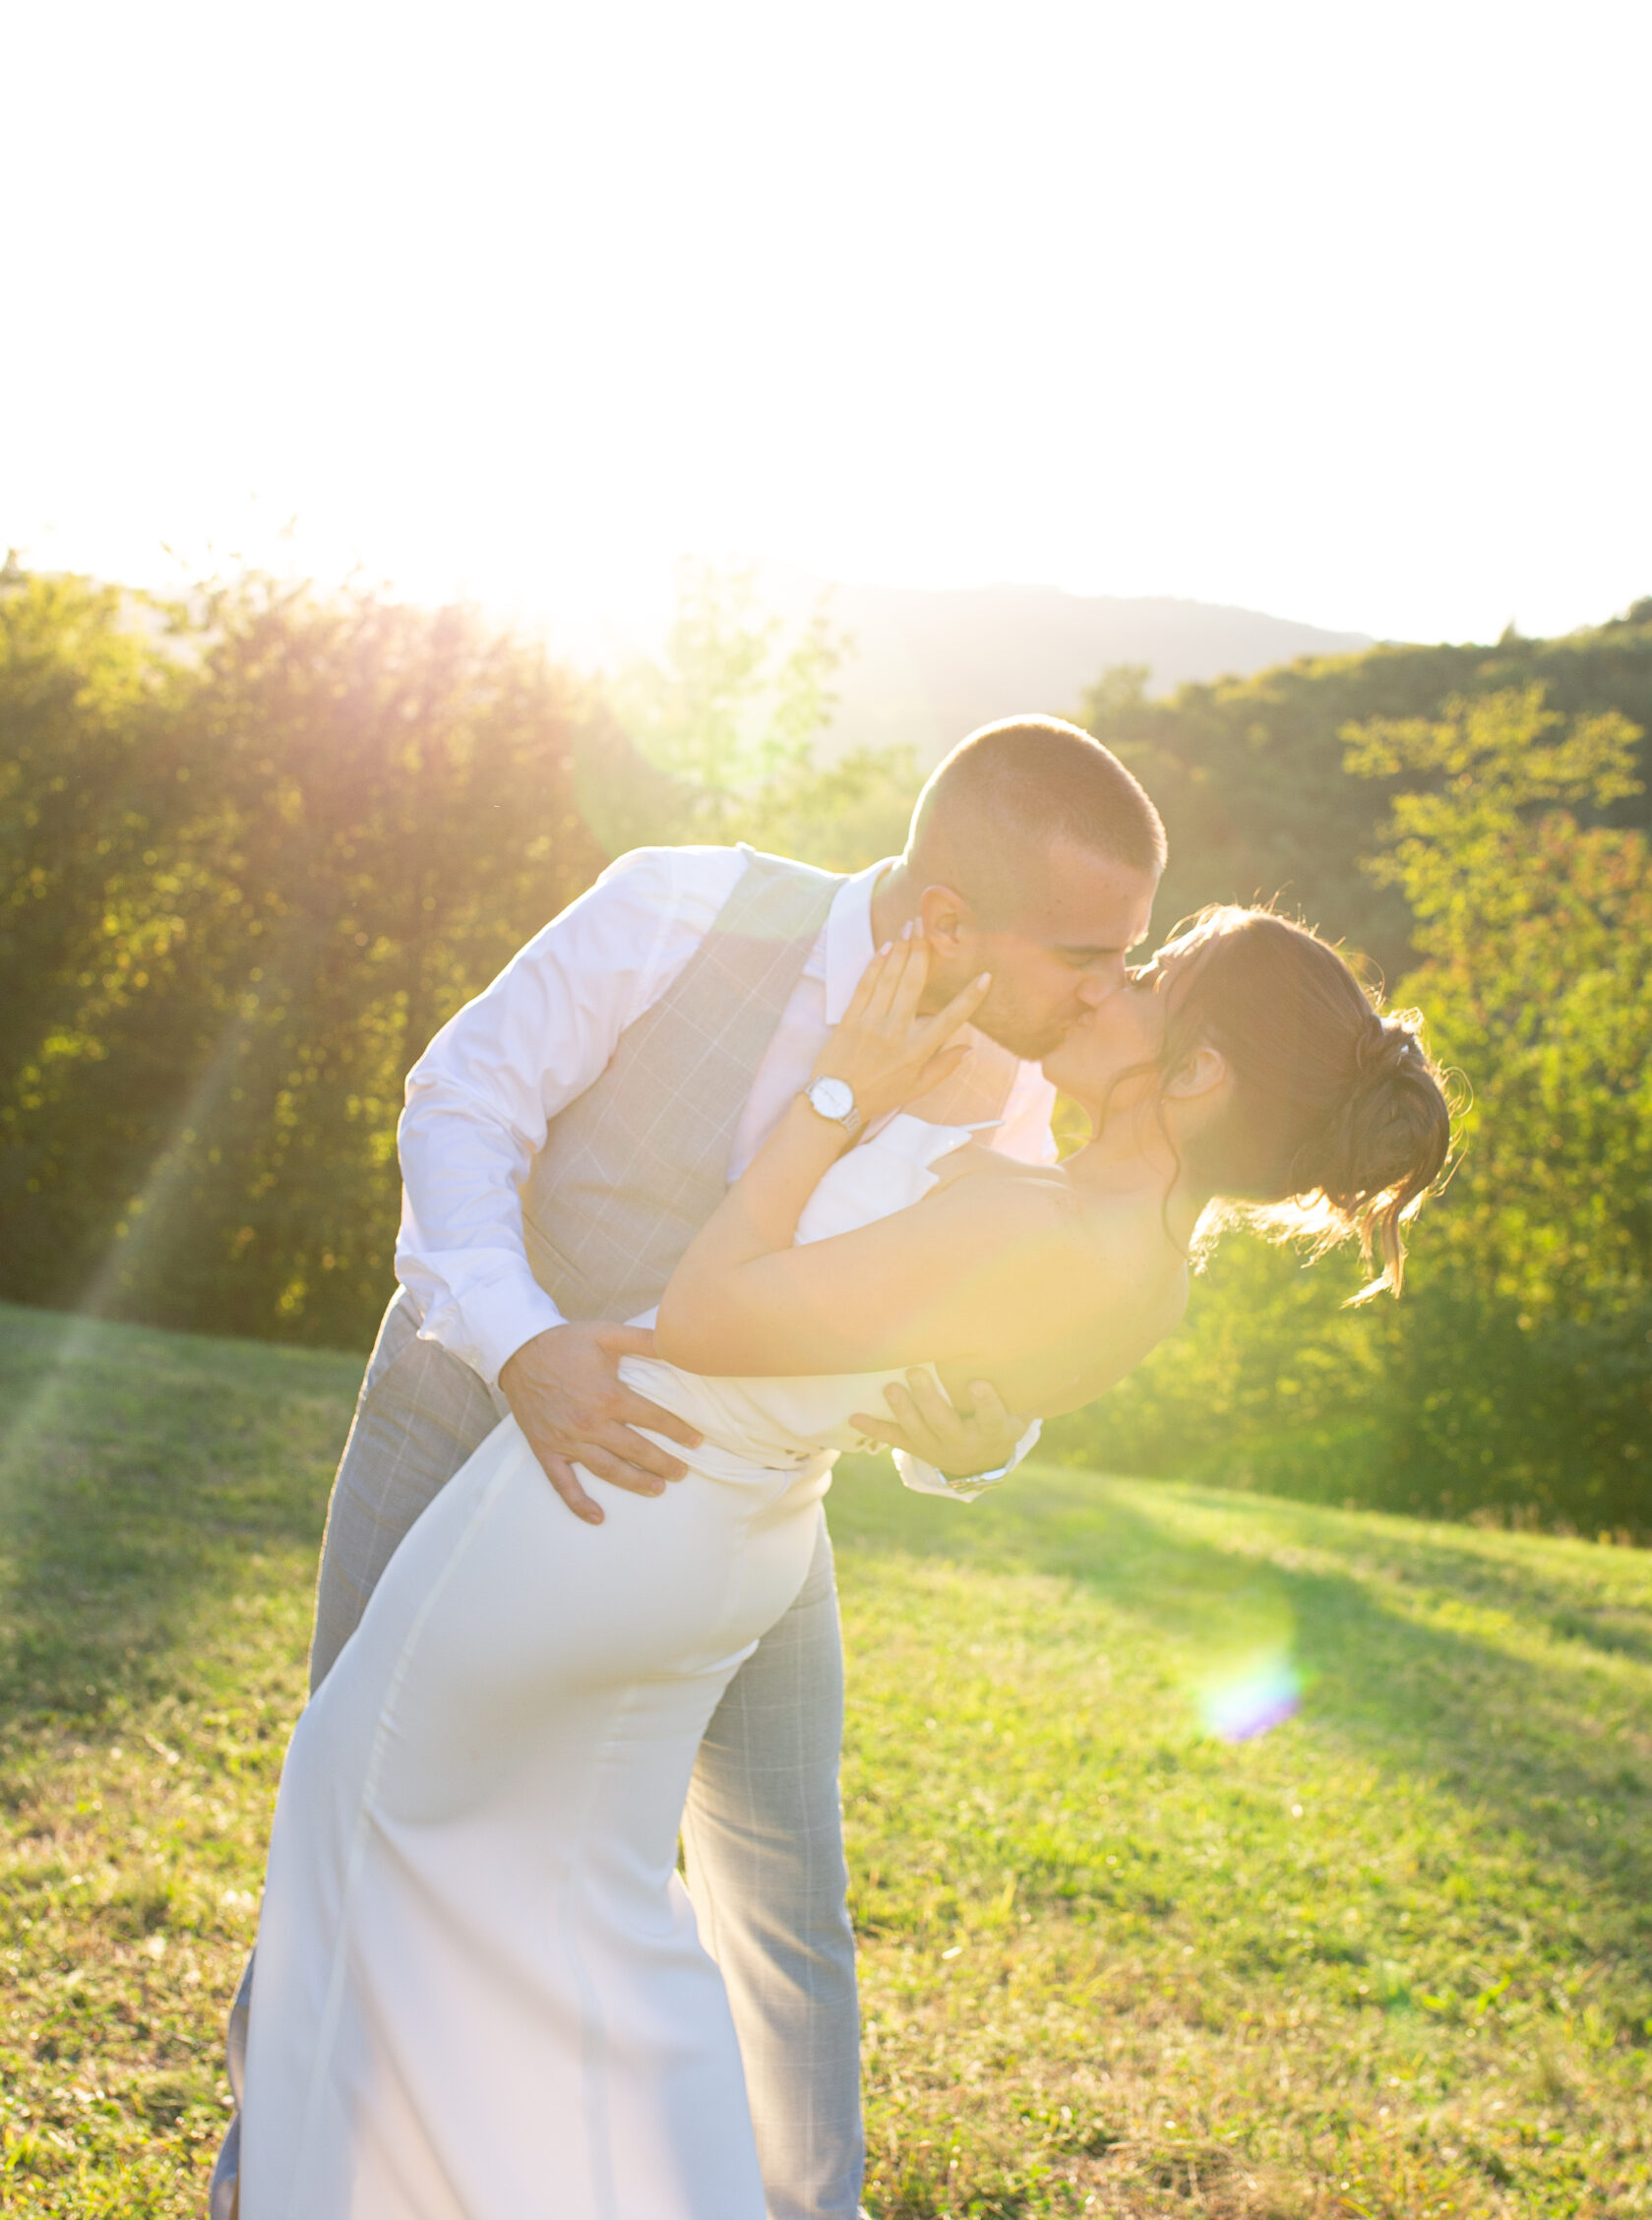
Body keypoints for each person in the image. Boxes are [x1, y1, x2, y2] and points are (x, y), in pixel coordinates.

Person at [236, 901, 1450, 2219]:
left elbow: (705, 1317)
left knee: (354, 1835)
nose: (1110, 988)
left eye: (1151, 977)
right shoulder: (1135, 1252)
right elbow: (920, 1377)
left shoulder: (1038, 1232)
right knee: (589, 1921)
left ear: (1201, 1073)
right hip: (717, 1541)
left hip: (602, 1507)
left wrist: (836, 1095)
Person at [213, 714, 1169, 2220]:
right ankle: (266, 2185)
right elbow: (462, 1106)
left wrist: (984, 1437)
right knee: (356, 1824)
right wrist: (527, 1346)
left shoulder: (1030, 1097)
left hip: (746, 1521)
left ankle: (807, 2207)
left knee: (788, 1905)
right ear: (945, 920)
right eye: (1085, 954)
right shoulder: (680, 907)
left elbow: (960, 1341)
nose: (1115, 991)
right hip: (465, 1422)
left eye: (1133, 951)